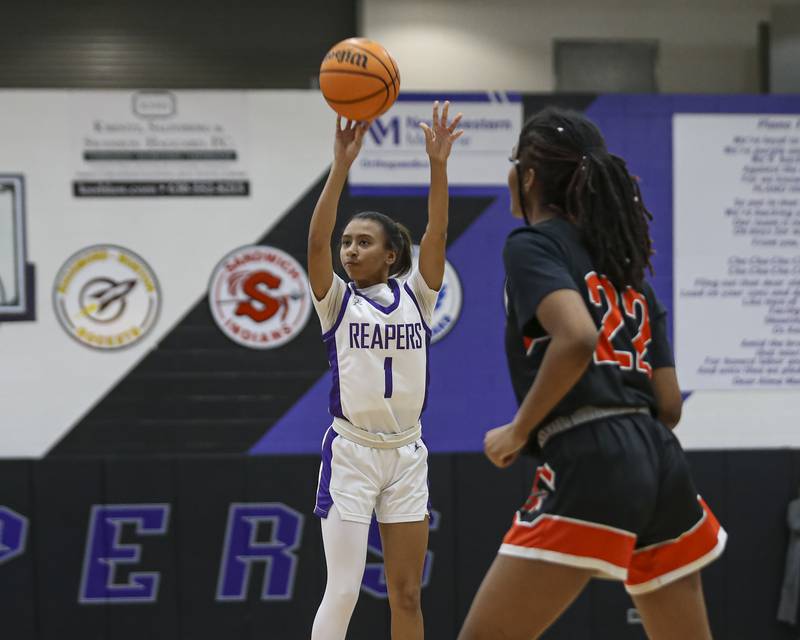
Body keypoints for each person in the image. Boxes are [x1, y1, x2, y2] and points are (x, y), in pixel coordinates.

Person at [458, 107, 727, 640]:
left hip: (590, 450)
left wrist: (518, 431)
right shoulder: (627, 268)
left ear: (527, 177)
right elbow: (669, 404)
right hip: (660, 457)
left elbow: (577, 338)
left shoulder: (533, 245)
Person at [308, 102, 463, 640]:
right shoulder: (336, 302)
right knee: (344, 590)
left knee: (407, 595)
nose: (350, 250)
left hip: (406, 454)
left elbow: (437, 233)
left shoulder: (419, 296)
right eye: (347, 242)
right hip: (352, 452)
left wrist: (437, 165)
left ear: (392, 254)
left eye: (363, 242)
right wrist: (341, 166)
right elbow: (316, 243)